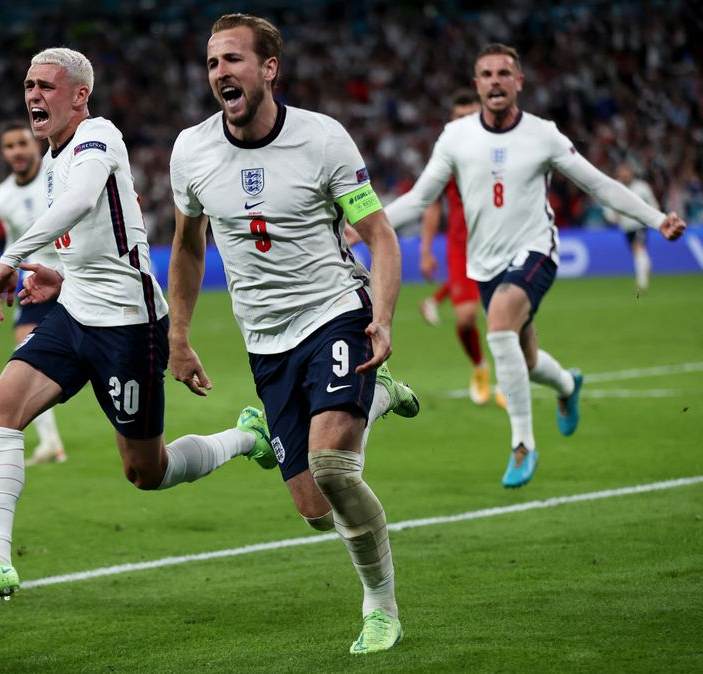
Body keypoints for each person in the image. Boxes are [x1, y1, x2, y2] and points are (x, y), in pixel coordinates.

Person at [0, 47, 278, 606]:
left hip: (129, 325)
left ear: (80, 95)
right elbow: (89, 239)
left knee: (146, 471)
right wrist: (58, 276)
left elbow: (77, 203)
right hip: (74, 313)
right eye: (28, 85)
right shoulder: (52, 157)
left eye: (46, 85)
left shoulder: (99, 137)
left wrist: (12, 256)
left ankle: (247, 436)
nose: (33, 95)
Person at [169, 14, 418, 655]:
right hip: (265, 339)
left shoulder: (323, 140)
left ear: (268, 68)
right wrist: (179, 334)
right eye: (212, 63)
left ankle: (382, 610)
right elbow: (189, 246)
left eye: (233, 60)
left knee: (335, 466)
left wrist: (383, 319)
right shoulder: (190, 151)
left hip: (334, 310)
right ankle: (378, 396)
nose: (220, 72)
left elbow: (382, 237)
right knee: (314, 509)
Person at [385, 44, 686, 489]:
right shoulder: (456, 137)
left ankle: (522, 444)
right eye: (486, 74)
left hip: (535, 251)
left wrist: (656, 219)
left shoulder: (543, 135)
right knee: (522, 360)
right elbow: (418, 199)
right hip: (484, 263)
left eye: (504, 72)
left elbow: (598, 184)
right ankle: (567, 385)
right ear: (477, 84)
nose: (495, 81)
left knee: (500, 325)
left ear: (519, 82)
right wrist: (363, 225)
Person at [0, 122, 67, 466]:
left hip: (74, 276)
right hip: (35, 281)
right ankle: (50, 442)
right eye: (9, 146)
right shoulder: (3, 196)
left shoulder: (59, 170)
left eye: (22, 143)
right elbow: (13, 239)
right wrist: (9, 267)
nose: (17, 152)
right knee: (25, 355)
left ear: (35, 145)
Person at [416, 88, 492, 405]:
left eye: (470, 116)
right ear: (451, 119)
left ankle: (515, 388)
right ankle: (480, 366)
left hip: (498, 242)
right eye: (459, 117)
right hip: (462, 247)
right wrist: (425, 250)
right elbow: (432, 205)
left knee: (509, 324)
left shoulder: (498, 149)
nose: (465, 123)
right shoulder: (446, 156)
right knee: (465, 320)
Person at [603, 163, 658, 294]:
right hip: (626, 227)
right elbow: (608, 206)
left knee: (638, 247)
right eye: (621, 173)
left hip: (640, 224)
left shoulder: (642, 187)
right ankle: (646, 266)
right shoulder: (616, 188)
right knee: (637, 251)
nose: (624, 175)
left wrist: (655, 218)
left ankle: (641, 283)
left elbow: (653, 203)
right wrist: (612, 217)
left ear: (631, 172)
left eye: (625, 172)